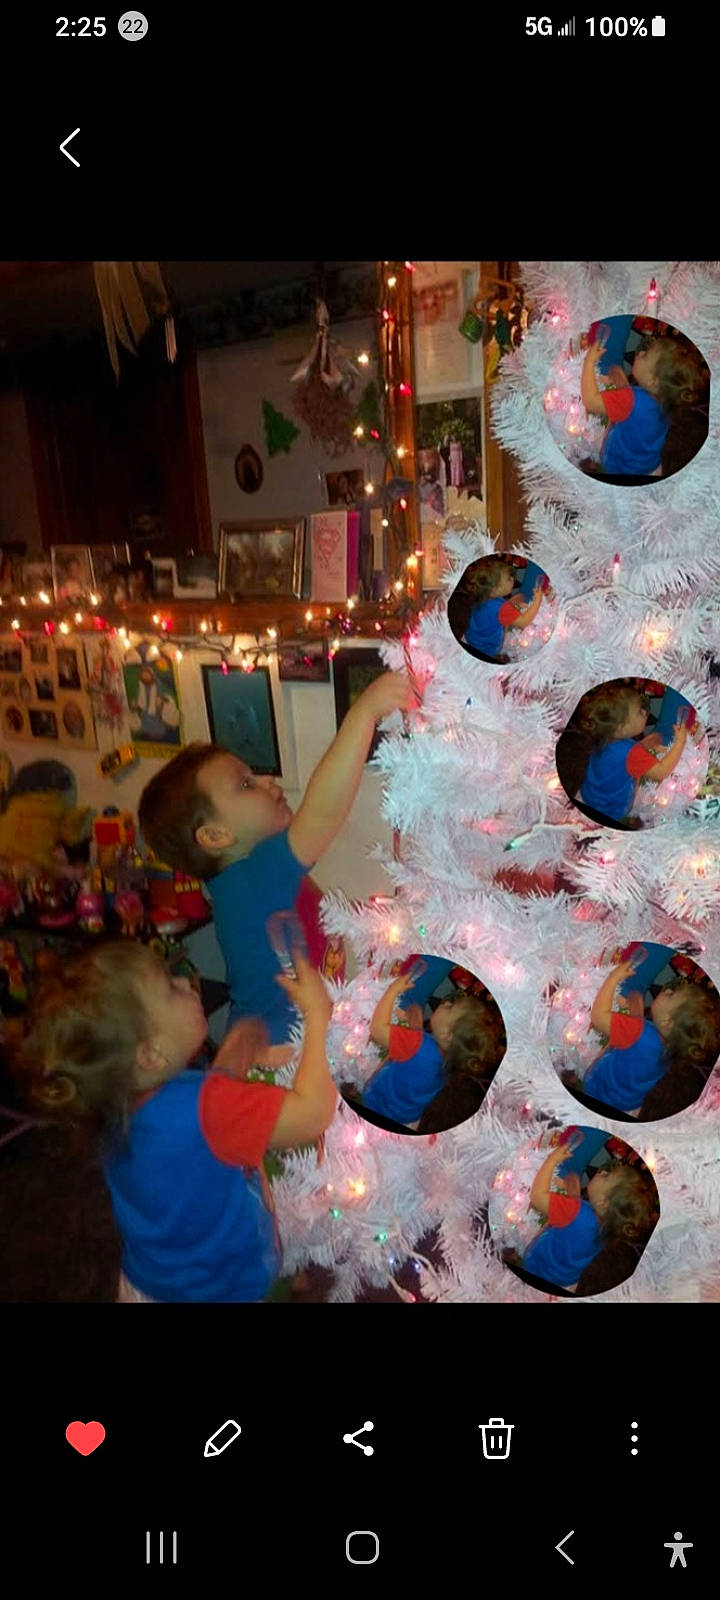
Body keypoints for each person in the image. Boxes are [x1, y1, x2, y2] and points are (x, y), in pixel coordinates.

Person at [12, 940, 336, 1302]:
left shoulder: (107, 1101)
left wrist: (231, 1060)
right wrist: (318, 1014)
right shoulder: (209, 1108)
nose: (185, 983)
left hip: (150, 1280)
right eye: (169, 986)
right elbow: (313, 1113)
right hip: (221, 1287)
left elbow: (192, 1116)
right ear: (150, 1054)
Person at [138, 672, 418, 1045]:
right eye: (245, 784)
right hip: (273, 1059)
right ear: (216, 837)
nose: (268, 782)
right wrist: (365, 712)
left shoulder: (253, 880)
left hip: (299, 1041)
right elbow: (320, 815)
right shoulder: (248, 877)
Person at [360, 972, 505, 1132]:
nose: (445, 1002)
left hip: (380, 1105)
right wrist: (416, 1027)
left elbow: (377, 1029)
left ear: (447, 1035)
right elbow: (420, 1055)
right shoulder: (454, 1060)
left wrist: (392, 990)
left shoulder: (415, 1043)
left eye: (450, 1007)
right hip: (408, 1117)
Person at [579, 959, 720, 1117]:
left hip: (599, 1091)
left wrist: (613, 978)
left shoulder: (638, 1031)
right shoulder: (674, 1049)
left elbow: (597, 1016)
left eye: (671, 994)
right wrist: (637, 1015)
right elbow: (640, 1045)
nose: (666, 990)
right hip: (628, 1103)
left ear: (667, 1022)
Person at [521, 1135, 656, 1292]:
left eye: (606, 1176)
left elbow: (537, 1196)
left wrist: (551, 1160)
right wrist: (573, 1194)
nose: (602, 1170)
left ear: (603, 1203)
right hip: (566, 1279)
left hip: (539, 1268)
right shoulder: (609, 1227)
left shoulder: (574, 1211)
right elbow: (579, 1223)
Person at [581, 328, 708, 479]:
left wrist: (589, 361)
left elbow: (590, 401)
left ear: (653, 381)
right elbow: (637, 411)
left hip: (621, 468)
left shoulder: (630, 400)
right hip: (649, 466)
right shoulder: (667, 399)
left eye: (646, 354)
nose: (640, 352)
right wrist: (624, 387)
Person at [566, 683, 688, 828]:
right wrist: (680, 741)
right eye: (639, 711)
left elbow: (620, 757)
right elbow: (662, 772)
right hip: (610, 813)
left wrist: (644, 745)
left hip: (586, 798)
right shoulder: (631, 753)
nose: (645, 712)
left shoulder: (602, 738)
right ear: (622, 728)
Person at [462, 558, 544, 663]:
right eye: (509, 579)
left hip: (469, 639)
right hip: (485, 651)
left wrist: (517, 608)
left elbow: (497, 614)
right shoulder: (500, 607)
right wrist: (537, 601)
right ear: (496, 588)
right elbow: (523, 622)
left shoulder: (482, 597)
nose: (513, 579)